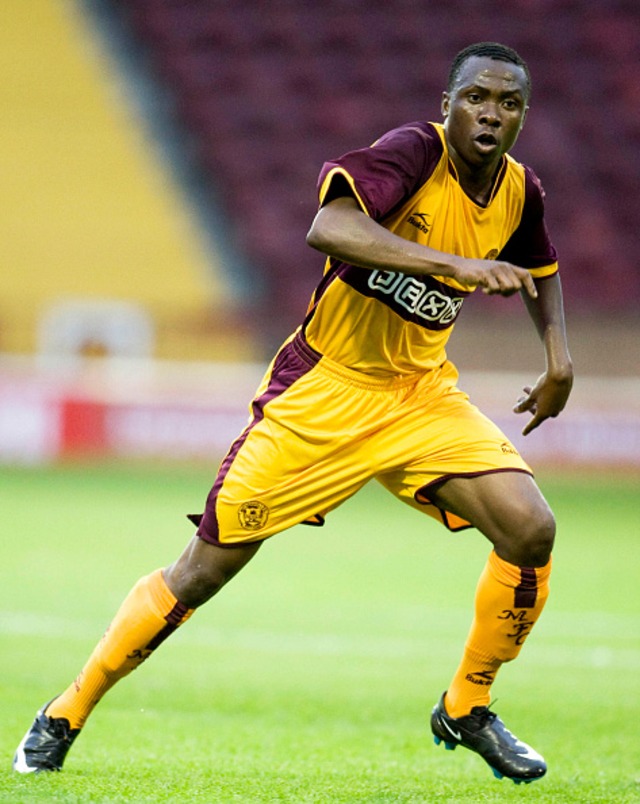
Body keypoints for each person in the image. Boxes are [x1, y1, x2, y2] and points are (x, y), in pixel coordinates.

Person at [13, 41, 573, 784]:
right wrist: (455, 265)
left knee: (531, 529)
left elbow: (541, 268)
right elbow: (329, 228)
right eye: (477, 98)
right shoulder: (414, 152)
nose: (491, 114)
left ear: (523, 117)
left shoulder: (519, 190)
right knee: (203, 572)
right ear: (448, 106)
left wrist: (558, 358)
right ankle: (66, 711)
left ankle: (467, 706)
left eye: (509, 103)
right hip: (322, 393)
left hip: (419, 394)